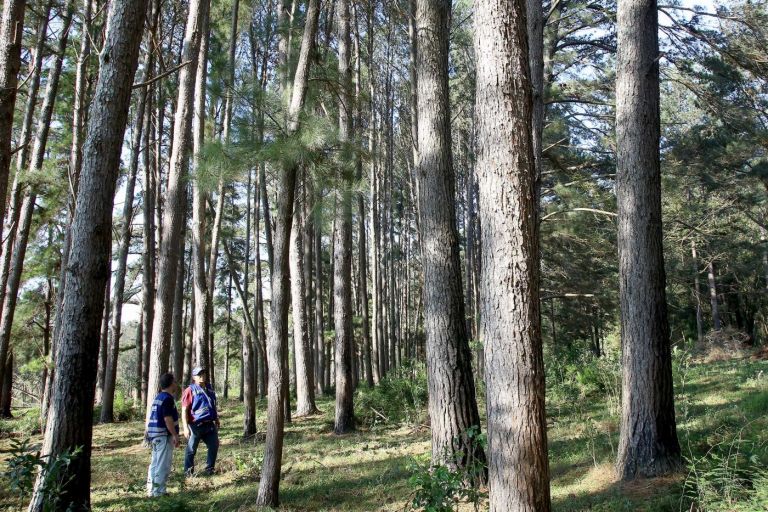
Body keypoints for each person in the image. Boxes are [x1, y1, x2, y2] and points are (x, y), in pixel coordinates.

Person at [145, 373, 180, 497]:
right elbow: (167, 419)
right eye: (174, 381)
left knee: (154, 463)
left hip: (154, 436)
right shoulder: (167, 398)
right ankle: (159, 492)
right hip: (163, 436)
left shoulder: (158, 397)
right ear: (171, 384)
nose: (176, 384)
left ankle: (151, 490)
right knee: (162, 464)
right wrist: (175, 435)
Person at [182, 366, 220, 476]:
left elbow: (212, 405)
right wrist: (185, 427)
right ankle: (188, 473)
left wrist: (216, 418)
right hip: (195, 425)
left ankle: (209, 469)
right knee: (191, 450)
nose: (202, 376)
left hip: (209, 424)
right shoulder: (190, 390)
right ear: (194, 377)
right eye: (199, 375)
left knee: (214, 445)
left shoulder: (209, 388)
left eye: (203, 374)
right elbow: (184, 410)